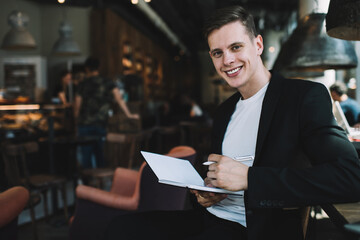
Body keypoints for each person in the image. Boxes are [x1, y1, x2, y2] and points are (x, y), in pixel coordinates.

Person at [105, 5, 360, 240]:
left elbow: (350, 177)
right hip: (210, 219)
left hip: (254, 228)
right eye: (218, 53)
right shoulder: (224, 111)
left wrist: (250, 178)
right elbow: (218, 178)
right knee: (119, 227)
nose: (227, 60)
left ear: (258, 45)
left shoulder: (303, 97)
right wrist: (207, 192)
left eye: (236, 47)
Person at [74, 57, 139, 169]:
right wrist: (129, 114)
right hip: (100, 123)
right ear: (99, 67)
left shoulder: (82, 84)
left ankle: (88, 183)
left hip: (84, 124)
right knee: (100, 155)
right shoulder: (107, 82)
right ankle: (100, 182)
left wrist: (76, 121)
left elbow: (77, 106)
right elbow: (119, 99)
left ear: (86, 69)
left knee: (86, 157)